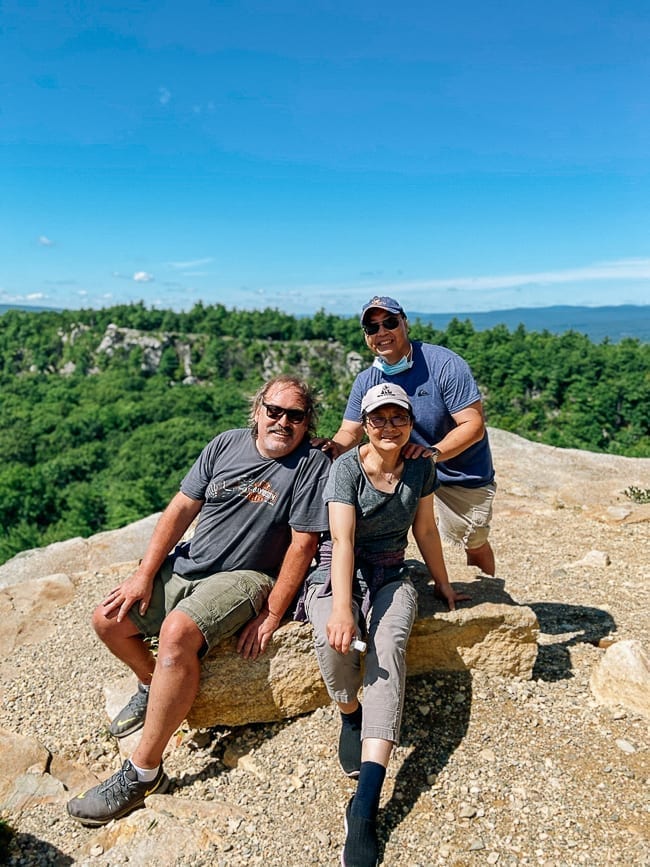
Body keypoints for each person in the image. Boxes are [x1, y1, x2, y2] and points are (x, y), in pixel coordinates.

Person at [67, 375, 331, 826]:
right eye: (274, 410)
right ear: (257, 410)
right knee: (108, 619)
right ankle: (153, 686)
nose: (282, 422)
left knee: (177, 633)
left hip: (247, 576)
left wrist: (272, 614)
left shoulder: (311, 467)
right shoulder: (225, 445)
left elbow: (302, 546)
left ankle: (143, 773)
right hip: (191, 563)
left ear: (307, 424)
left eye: (295, 416)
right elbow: (181, 508)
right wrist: (144, 574)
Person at [304, 382, 469, 867]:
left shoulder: (420, 465)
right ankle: (350, 713)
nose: (390, 427)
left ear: (410, 421)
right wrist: (339, 607)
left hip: (392, 571)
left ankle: (365, 808)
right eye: (379, 419)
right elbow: (342, 537)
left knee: (389, 646)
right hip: (340, 565)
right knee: (335, 644)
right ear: (366, 424)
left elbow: (425, 529)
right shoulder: (347, 467)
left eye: (399, 417)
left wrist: (444, 583)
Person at [317, 295, 497, 576]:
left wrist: (433, 454)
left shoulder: (444, 365)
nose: (382, 332)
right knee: (414, 531)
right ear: (366, 337)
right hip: (406, 471)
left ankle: (487, 592)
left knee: (473, 540)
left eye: (390, 322)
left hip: (460, 471)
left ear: (405, 324)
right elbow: (350, 431)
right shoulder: (367, 380)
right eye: (372, 328)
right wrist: (331, 447)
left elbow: (473, 425)